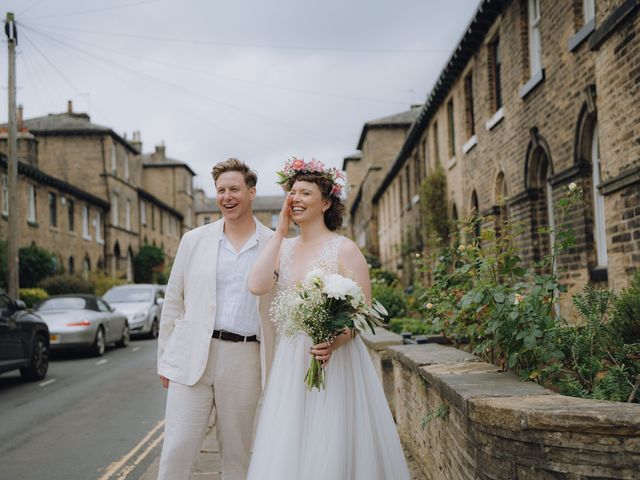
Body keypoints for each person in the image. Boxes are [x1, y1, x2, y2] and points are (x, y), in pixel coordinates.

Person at [246, 158, 411, 480]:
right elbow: (256, 285)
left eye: (305, 193)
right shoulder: (283, 248)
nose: (295, 199)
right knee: (292, 438)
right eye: (292, 192)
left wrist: (333, 343)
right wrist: (279, 232)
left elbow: (363, 312)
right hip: (293, 358)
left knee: (334, 436)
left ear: (325, 203)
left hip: (336, 359)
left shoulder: (344, 248)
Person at [156, 158, 276, 480]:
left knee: (238, 453)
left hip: (245, 358)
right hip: (192, 353)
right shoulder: (193, 240)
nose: (227, 196)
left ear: (251, 192)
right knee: (177, 448)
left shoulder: (274, 244)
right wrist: (165, 358)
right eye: (221, 190)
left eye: (234, 189)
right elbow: (173, 301)